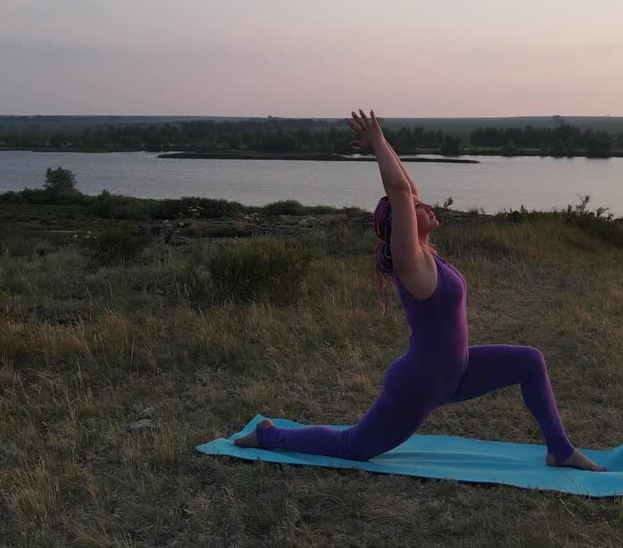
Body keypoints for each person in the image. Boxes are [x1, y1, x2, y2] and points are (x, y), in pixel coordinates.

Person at [234, 109, 603, 471]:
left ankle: (560, 450)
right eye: (416, 209)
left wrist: (384, 142)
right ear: (403, 227)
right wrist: (378, 144)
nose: (425, 205)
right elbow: (398, 192)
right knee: (354, 446)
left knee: (530, 361)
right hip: (420, 383)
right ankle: (267, 436)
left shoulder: (428, 254)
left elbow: (406, 190)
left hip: (456, 372)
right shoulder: (411, 263)